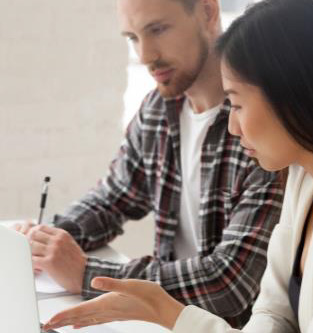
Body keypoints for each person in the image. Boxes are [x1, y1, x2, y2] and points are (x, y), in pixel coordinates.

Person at [43, 0, 313, 332]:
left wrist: (170, 312)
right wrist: (168, 312)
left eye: (235, 103)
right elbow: (270, 317)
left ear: (293, 94)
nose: (232, 127)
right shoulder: (304, 179)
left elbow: (240, 291)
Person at [15, 0, 283, 327]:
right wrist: (49, 239)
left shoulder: (261, 127)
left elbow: (229, 283)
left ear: (208, 12)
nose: (144, 56)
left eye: (157, 30)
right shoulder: (159, 108)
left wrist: (87, 274)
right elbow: (113, 198)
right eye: (132, 37)